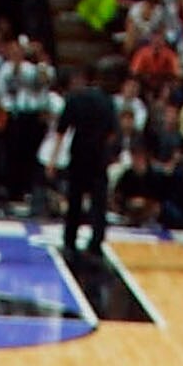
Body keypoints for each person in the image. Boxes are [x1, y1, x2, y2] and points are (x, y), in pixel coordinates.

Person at [62, 60, 122, 257]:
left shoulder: (74, 98)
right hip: (98, 155)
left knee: (75, 199)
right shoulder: (108, 101)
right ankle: (96, 242)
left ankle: (70, 240)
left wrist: (54, 160)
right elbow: (113, 134)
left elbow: (62, 130)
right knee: (99, 202)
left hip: (78, 153)